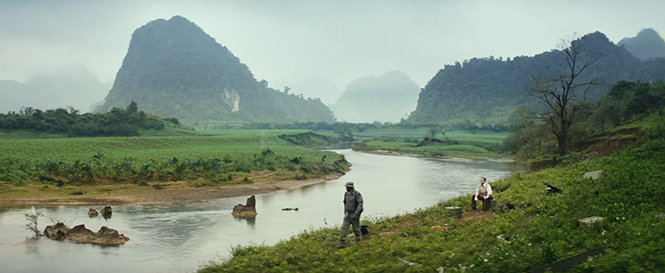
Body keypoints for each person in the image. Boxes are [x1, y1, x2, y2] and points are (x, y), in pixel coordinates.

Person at [338, 181, 363, 248]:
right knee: (344, 228)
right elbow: (345, 202)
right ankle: (342, 243)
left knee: (356, 229)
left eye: (347, 187)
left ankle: (359, 241)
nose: (346, 188)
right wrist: (345, 211)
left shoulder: (357, 194)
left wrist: (356, 213)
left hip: (354, 214)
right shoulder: (346, 194)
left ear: (350, 187)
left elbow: (360, 205)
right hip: (347, 214)